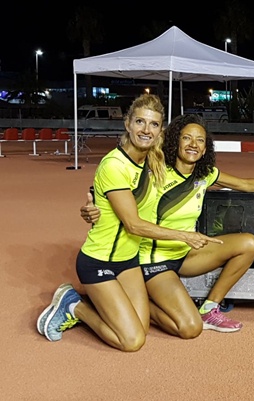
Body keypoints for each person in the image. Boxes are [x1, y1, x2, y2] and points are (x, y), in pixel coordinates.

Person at [81, 113, 254, 338]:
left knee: (248, 244)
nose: (193, 144)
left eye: (199, 140)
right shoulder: (156, 170)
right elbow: (118, 193)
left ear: (206, 148)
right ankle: (130, 304)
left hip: (186, 255)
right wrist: (93, 210)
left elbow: (246, 185)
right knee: (188, 329)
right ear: (175, 141)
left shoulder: (204, 174)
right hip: (152, 261)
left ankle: (210, 308)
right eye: (186, 138)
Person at [37, 94, 222, 351]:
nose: (146, 130)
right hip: (99, 261)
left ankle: (112, 304)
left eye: (154, 124)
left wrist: (93, 207)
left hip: (129, 262)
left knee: (142, 327)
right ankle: (75, 305)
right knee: (132, 341)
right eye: (140, 122)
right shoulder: (114, 164)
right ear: (127, 123)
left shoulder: (153, 161)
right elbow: (133, 224)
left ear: (161, 131)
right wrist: (185, 236)